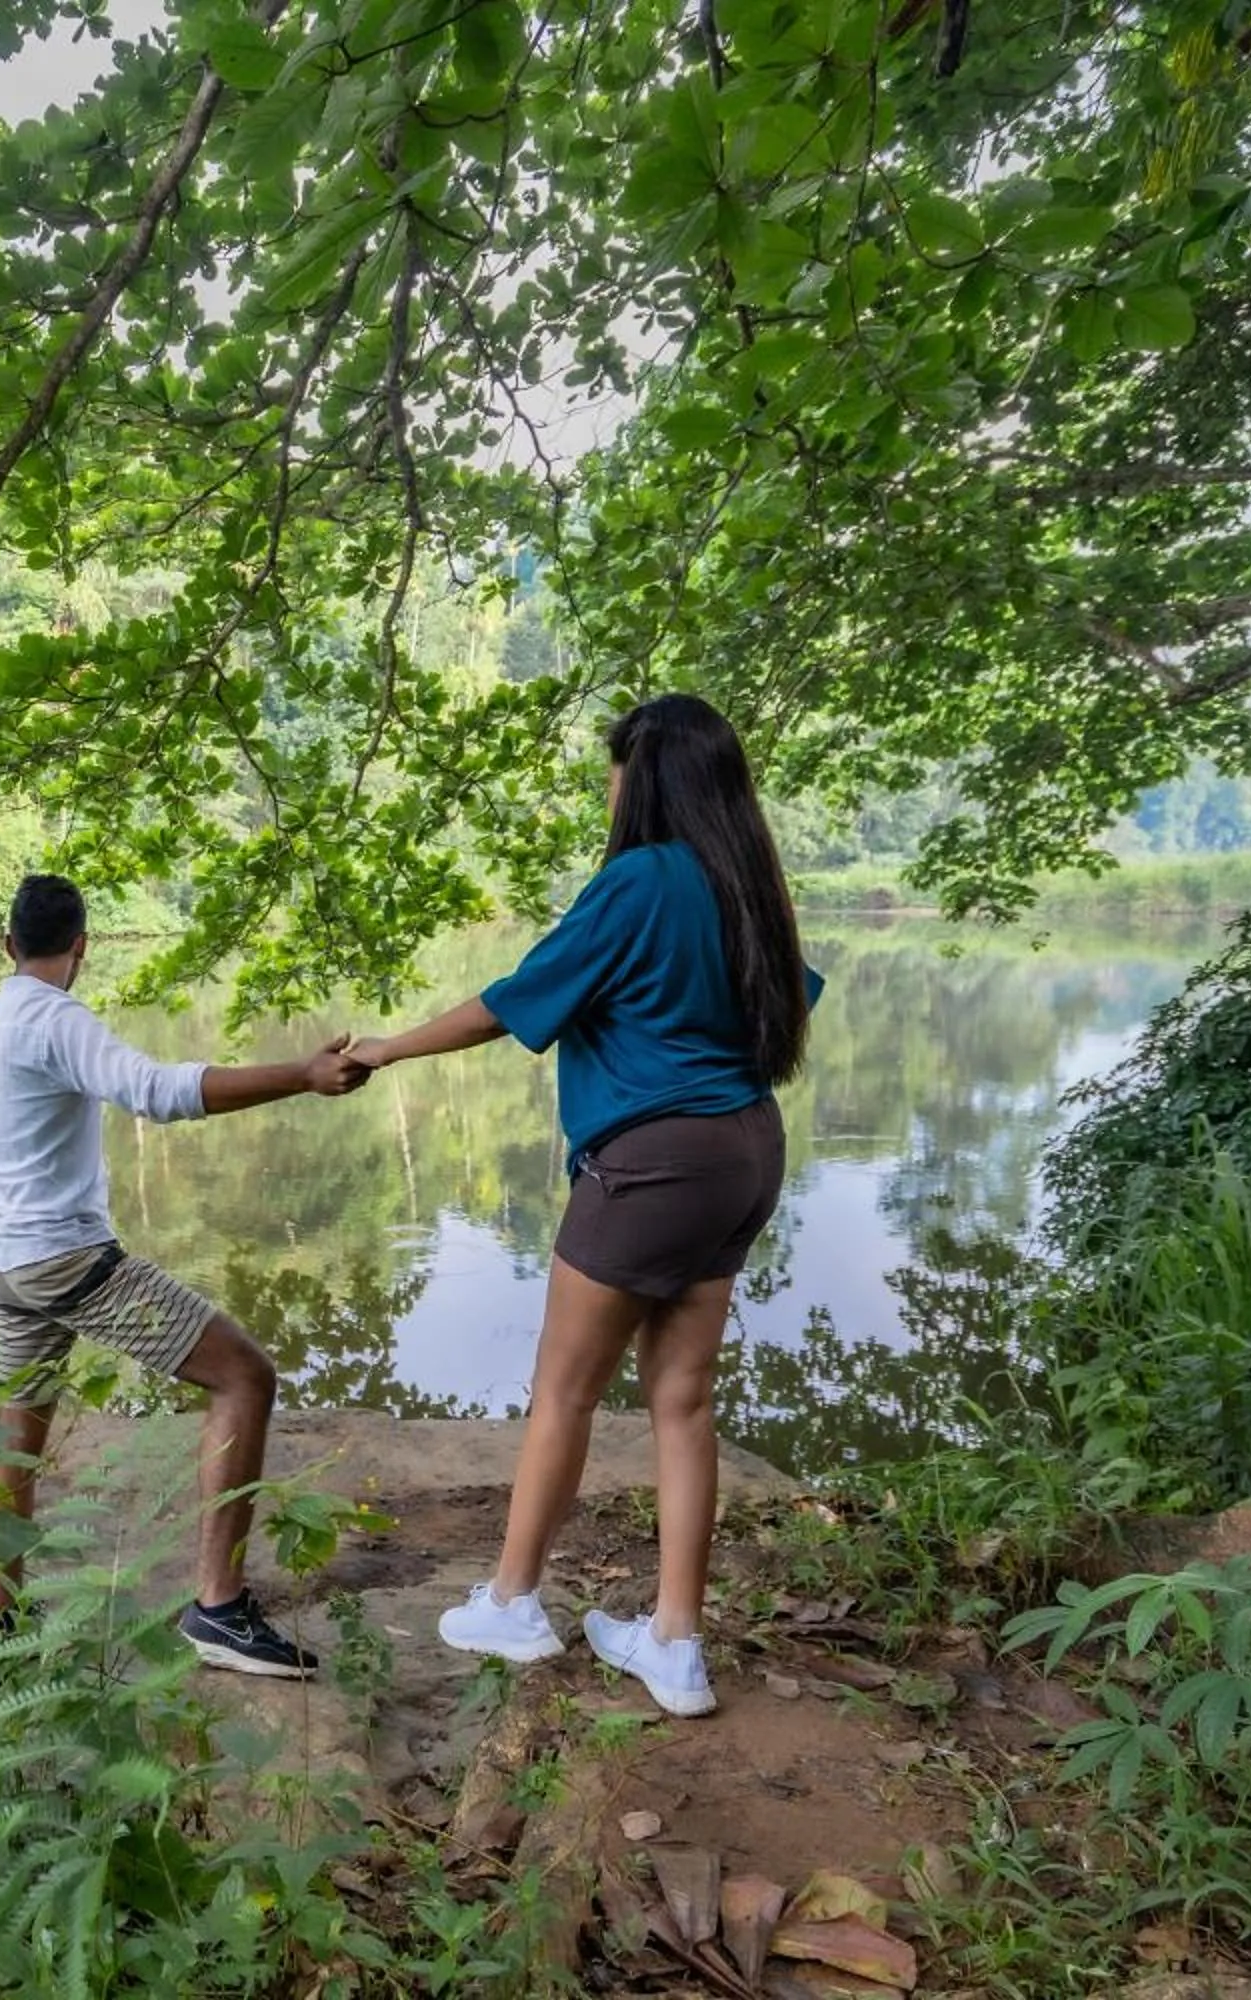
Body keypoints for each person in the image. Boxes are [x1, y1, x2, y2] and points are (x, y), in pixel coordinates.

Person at [351, 694, 819, 1717]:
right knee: (683, 1397)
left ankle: (514, 1599)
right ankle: (675, 1643)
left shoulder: (638, 879)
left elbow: (516, 996)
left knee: (562, 1388)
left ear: (643, 774)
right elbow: (785, 1000)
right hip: (747, 1150)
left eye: (615, 769)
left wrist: (387, 1046)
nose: (609, 788)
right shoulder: (749, 883)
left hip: (651, 1162)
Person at [0, 873, 373, 1678]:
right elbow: (155, 1091)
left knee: (20, 1422)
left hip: (4, 1261)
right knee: (245, 1378)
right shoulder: (54, 1018)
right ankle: (218, 1611)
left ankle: (1, 1617)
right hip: (66, 1264)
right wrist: (300, 1075)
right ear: (82, 946)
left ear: (7, 945)